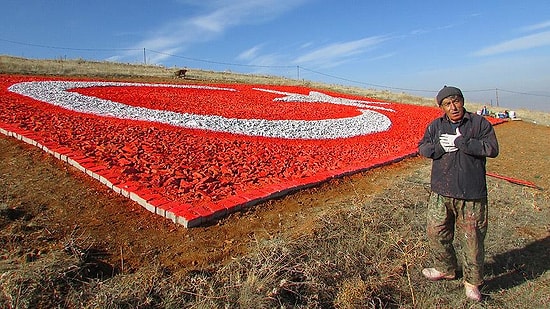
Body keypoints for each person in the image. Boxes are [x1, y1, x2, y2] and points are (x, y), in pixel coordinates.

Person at [418, 86, 499, 301]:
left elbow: (492, 149)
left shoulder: (479, 123)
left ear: (462, 101)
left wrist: (461, 142)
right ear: (441, 107)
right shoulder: (435, 126)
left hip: (470, 194)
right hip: (441, 192)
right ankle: (445, 268)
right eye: (447, 104)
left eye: (456, 101)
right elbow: (423, 148)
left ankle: (472, 282)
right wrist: (439, 147)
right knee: (436, 233)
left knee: (472, 239)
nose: (453, 107)